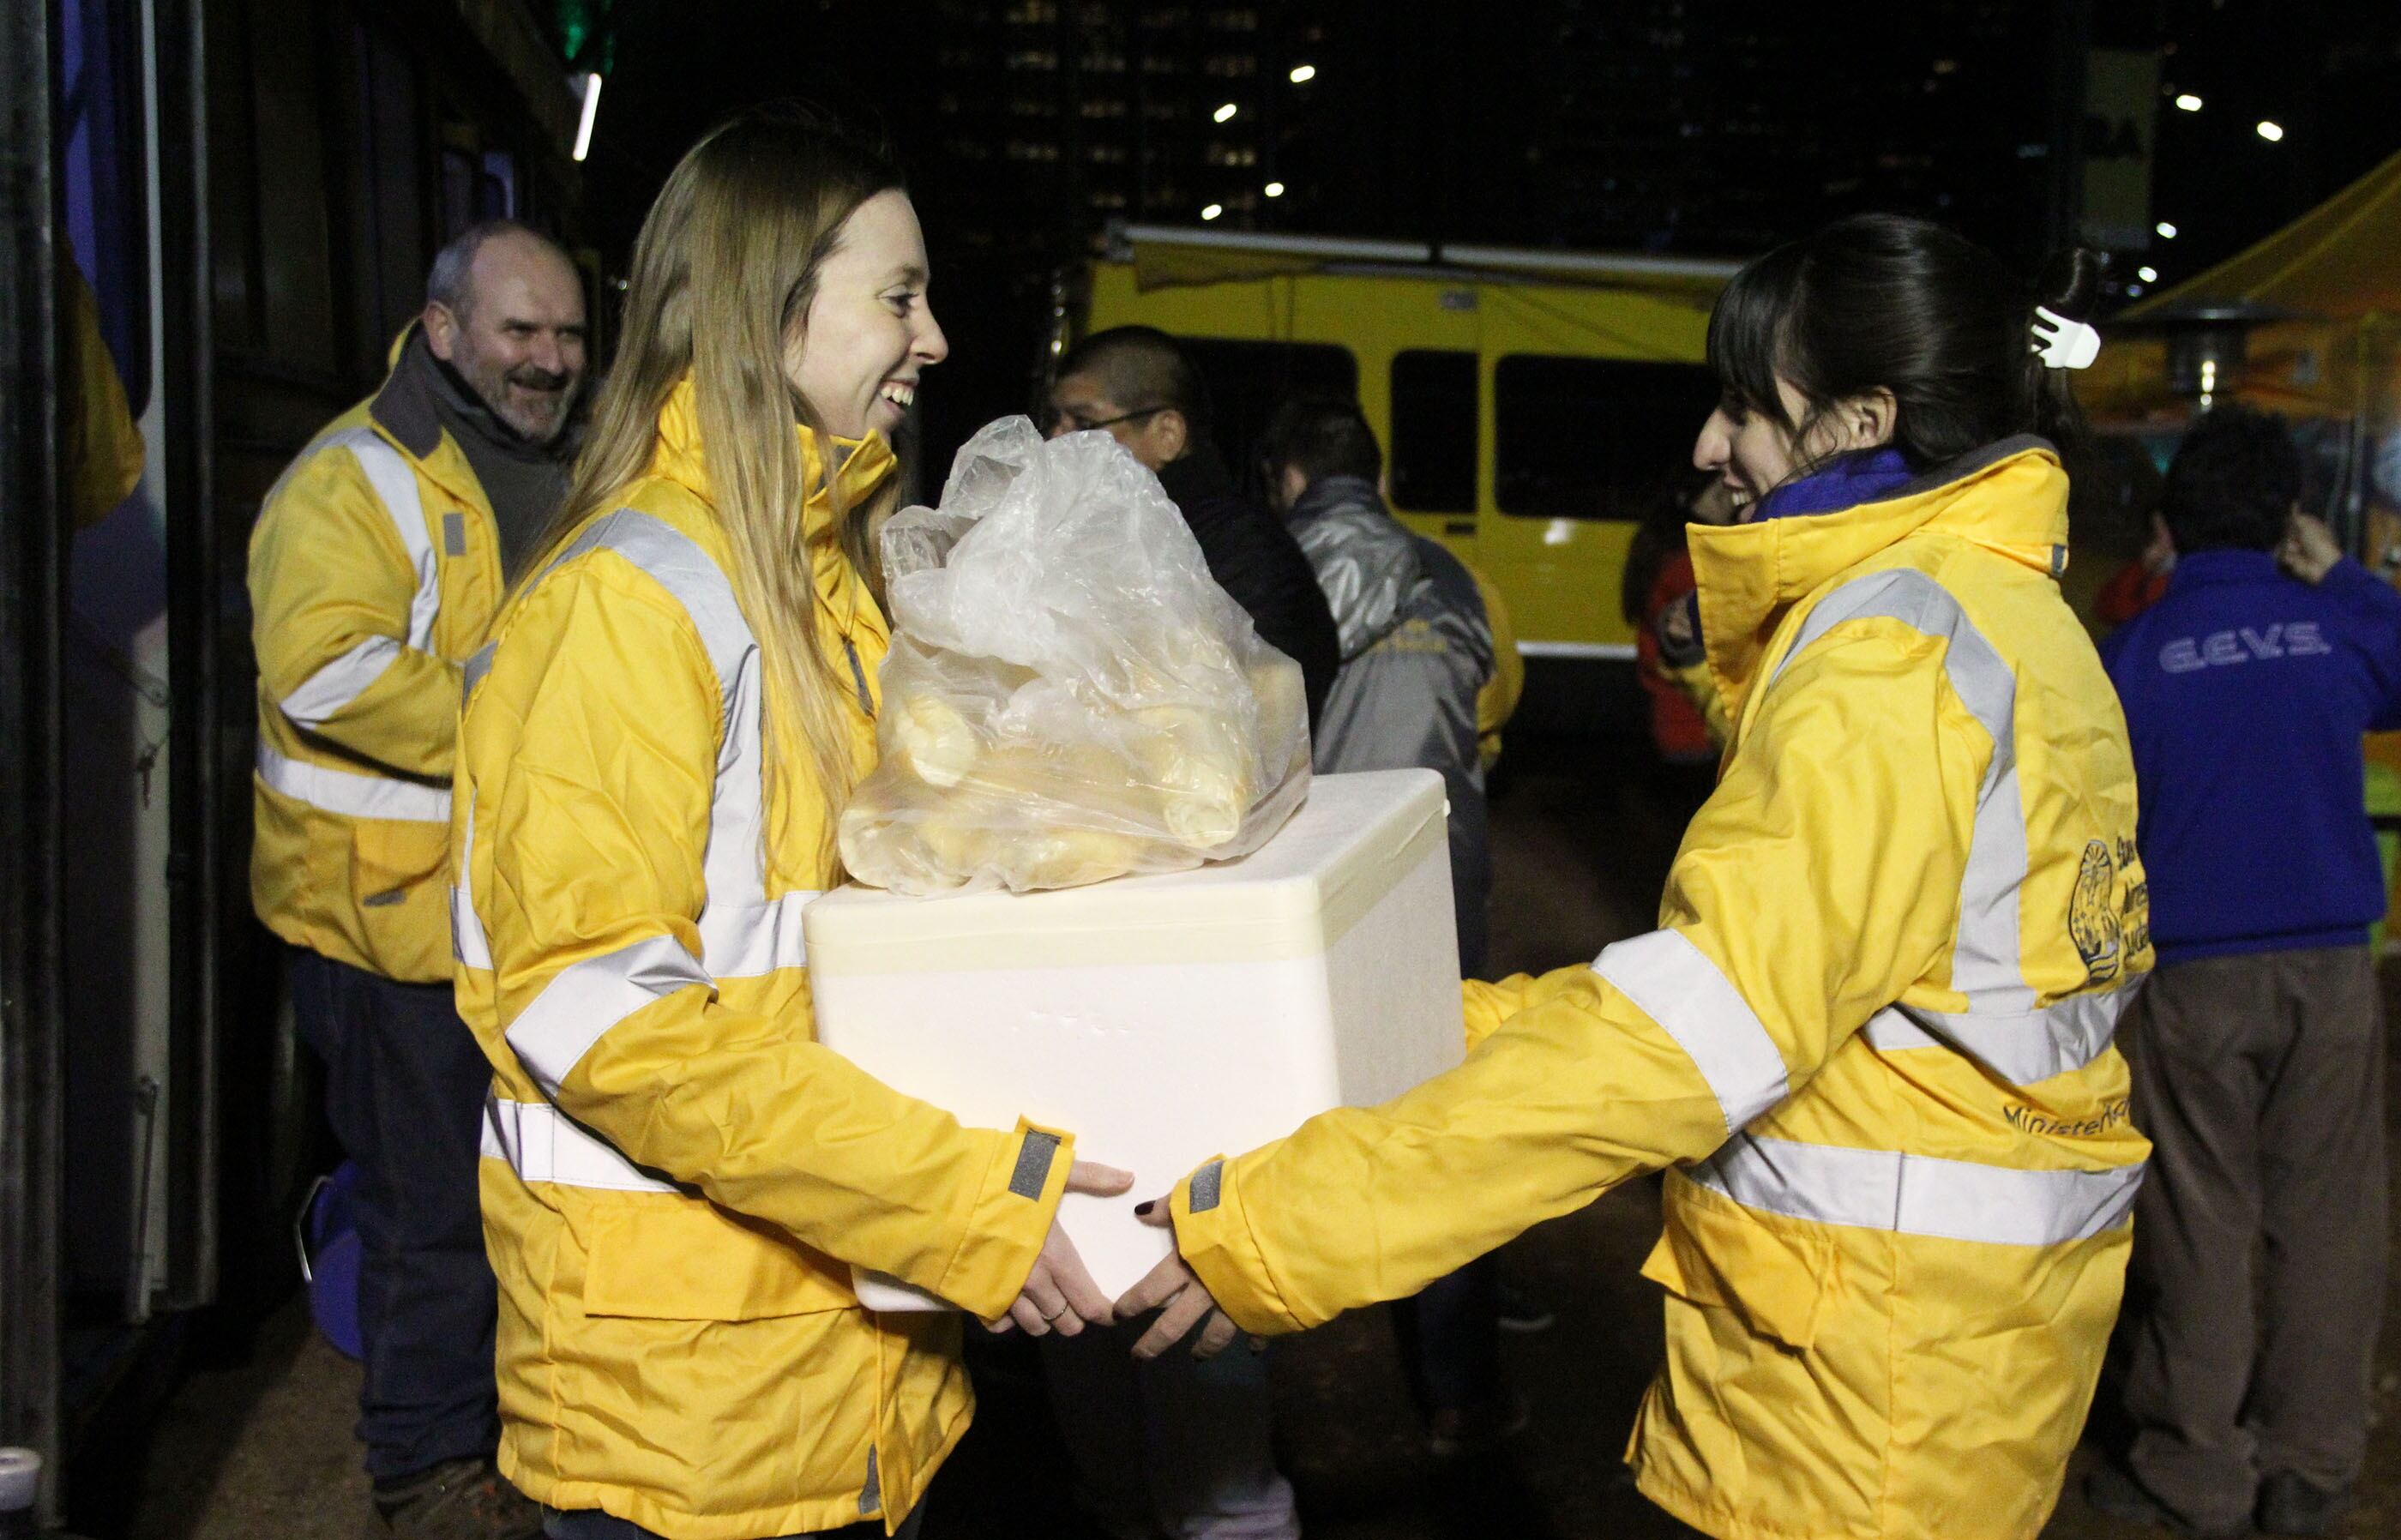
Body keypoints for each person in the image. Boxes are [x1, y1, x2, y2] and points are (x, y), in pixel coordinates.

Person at [1119, 214, 2156, 1540]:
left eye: (1742, 407)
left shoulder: (1891, 660)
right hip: (1932, 1353)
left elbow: (1685, 1039)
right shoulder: (1998, 616)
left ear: (1857, 421)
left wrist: (1290, 1230)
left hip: (1858, 1397)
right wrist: (1416, 1031)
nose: (1708, 447)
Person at [448, 105, 1126, 1540]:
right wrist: (956, 1200)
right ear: (768, 311)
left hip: (834, 1355)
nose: (933, 339)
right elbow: (601, 1018)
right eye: (898, 296)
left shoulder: (828, 586)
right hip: (690, 1410)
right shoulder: (627, 605)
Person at [248, 219, 589, 1537]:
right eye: (521, 332)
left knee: (508, 1202)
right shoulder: (353, 479)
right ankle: (424, 1472)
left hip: (515, 917)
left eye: (566, 334)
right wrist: (527, 728)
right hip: (386, 927)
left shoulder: (571, 462)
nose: (551, 360)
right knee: (430, 1216)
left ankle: (491, 1437)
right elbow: (322, 673)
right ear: (445, 331)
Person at [2089, 406, 2393, 1540]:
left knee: (2201, 1223)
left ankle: (2195, 1469)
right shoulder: (2335, 628)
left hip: (2192, 979)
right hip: (2332, 972)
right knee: (2330, 1222)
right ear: (2288, 519)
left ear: (2166, 528)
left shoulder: (2135, 656)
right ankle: (2311, 1472)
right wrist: (2341, 574)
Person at [1256, 395, 1527, 1457]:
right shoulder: (1458, 575)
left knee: (1287, 1104)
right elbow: (1498, 701)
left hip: (1302, 886)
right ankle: (1460, 1391)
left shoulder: (1269, 573)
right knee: (1438, 1129)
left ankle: (1259, 1333)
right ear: (1377, 478)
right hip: (1432, 882)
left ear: (1288, 479)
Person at [1046, 327, 1340, 729]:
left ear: (1167, 434)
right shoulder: (1127, 531)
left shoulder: (1234, 549)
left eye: (1083, 423)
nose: (1056, 441)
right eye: (1056, 421)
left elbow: (1251, 723)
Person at [1624, 470, 1739, 795]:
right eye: (1719, 495)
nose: (1732, 500)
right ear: (1691, 503)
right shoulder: (1690, 565)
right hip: (1694, 724)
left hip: (1673, 718)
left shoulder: (1662, 553)